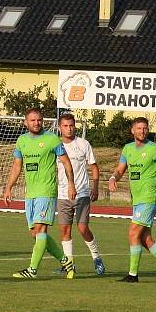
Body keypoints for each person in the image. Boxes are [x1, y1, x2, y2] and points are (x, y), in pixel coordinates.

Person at [108, 117, 156, 284]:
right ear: (132, 130)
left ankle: (133, 274)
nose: (142, 131)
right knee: (145, 239)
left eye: (144, 128)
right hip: (137, 200)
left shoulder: (154, 149)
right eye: (139, 128)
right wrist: (113, 177)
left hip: (149, 199)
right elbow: (120, 169)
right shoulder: (127, 149)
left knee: (133, 232)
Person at [3, 108, 77, 279]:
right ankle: (66, 261)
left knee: (40, 228)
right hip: (31, 194)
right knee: (35, 233)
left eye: (39, 120)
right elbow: (17, 166)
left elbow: (66, 163)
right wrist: (9, 187)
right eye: (32, 120)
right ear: (25, 122)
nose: (36, 123)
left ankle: (32, 270)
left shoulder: (52, 139)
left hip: (47, 191)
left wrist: (71, 184)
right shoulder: (21, 141)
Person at [53, 113, 106, 275]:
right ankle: (69, 264)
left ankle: (96, 258)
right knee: (64, 231)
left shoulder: (83, 144)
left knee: (83, 228)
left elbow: (94, 166)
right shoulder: (55, 145)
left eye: (71, 125)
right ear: (59, 128)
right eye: (65, 126)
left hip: (82, 193)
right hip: (62, 195)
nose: (69, 129)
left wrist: (95, 187)